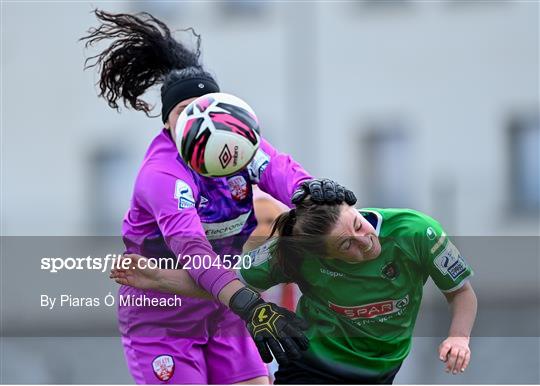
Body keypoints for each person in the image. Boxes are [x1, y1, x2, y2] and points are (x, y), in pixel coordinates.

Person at [81, 9, 356, 385]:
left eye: (208, 107)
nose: (201, 121)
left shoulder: (236, 144)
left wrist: (310, 192)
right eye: (183, 113)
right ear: (166, 123)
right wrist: (251, 305)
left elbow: (279, 171)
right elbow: (192, 250)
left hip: (224, 306)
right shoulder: (163, 174)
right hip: (164, 317)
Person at [111, 198, 477, 384]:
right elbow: (219, 284)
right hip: (311, 363)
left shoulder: (419, 232)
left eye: (358, 225)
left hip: (379, 369)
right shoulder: (292, 253)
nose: (363, 242)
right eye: (346, 246)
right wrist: (159, 278)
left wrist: (459, 337)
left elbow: (461, 292)